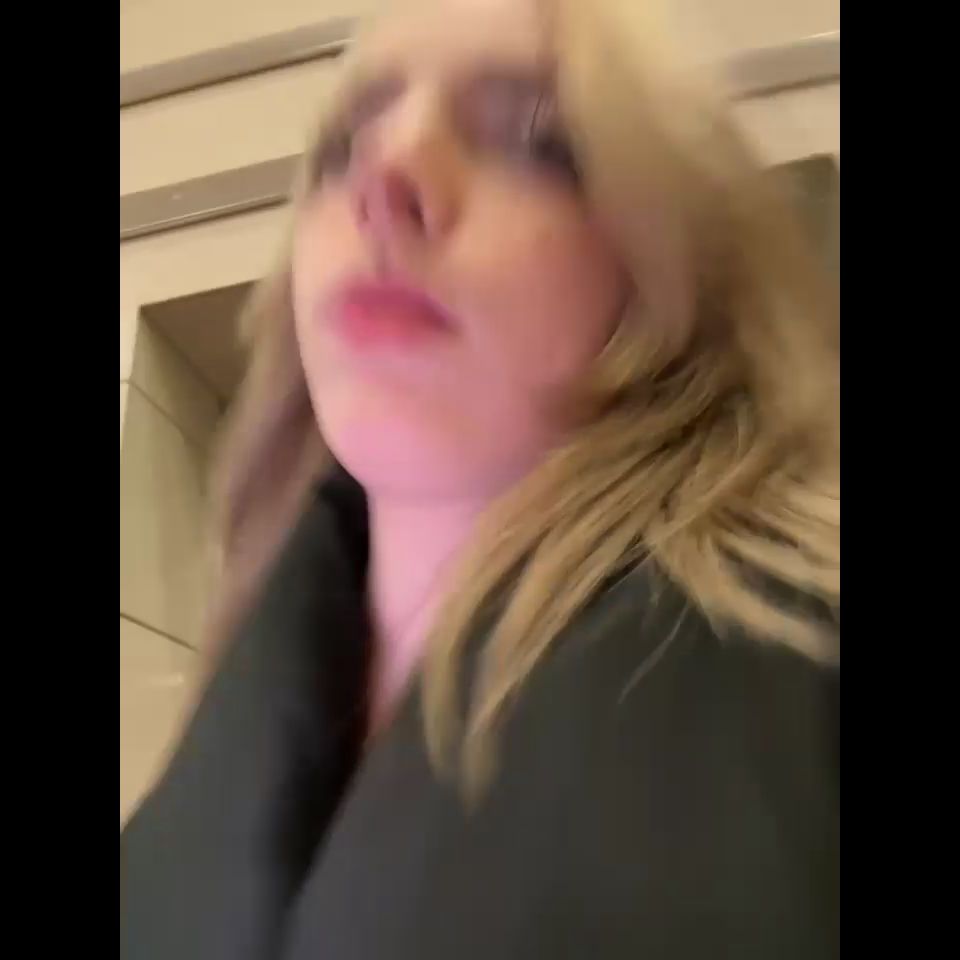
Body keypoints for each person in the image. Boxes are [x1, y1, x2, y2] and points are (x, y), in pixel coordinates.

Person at [120, 0, 840, 957]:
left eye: (537, 143)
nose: (383, 178)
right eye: (343, 146)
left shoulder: (805, 678)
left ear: (671, 283)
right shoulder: (219, 738)